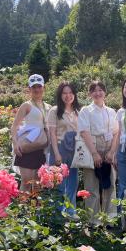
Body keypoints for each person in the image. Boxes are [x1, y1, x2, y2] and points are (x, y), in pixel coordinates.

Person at [78, 81, 119, 225]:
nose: (98, 93)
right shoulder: (86, 111)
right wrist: (94, 153)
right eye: (94, 90)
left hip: (109, 149)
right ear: (90, 94)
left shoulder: (111, 111)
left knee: (110, 185)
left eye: (100, 90)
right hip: (92, 147)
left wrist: (112, 152)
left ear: (105, 92)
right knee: (92, 187)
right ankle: (93, 221)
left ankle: (109, 220)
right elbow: (84, 132)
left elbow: (116, 133)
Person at [11, 74, 51, 191]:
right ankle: (23, 208)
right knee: (26, 182)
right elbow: (14, 126)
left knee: (39, 183)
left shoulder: (48, 107)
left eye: (39, 86)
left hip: (42, 147)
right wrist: (15, 143)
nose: (37, 89)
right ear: (29, 89)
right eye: (34, 87)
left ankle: (36, 209)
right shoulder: (26, 105)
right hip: (28, 145)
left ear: (44, 88)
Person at [48, 82, 79, 214]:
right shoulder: (54, 111)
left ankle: (71, 212)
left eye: (70, 93)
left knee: (73, 182)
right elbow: (52, 134)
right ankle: (57, 214)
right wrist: (57, 153)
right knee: (59, 184)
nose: (68, 96)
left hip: (74, 150)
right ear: (60, 95)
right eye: (65, 93)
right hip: (59, 148)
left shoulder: (78, 111)